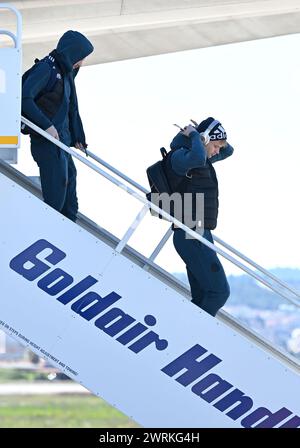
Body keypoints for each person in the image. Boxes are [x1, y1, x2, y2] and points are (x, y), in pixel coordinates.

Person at [164, 117, 234, 316]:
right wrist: (197, 136)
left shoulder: (201, 158)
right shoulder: (181, 157)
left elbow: (229, 151)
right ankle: (191, 334)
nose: (217, 151)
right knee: (219, 293)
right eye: (215, 146)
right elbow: (196, 158)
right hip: (190, 232)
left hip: (199, 232)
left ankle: (187, 336)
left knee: (203, 296)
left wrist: (207, 135)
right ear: (203, 140)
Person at [22, 30, 94, 222]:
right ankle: (42, 233)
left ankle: (66, 238)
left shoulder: (67, 75)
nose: (81, 62)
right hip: (47, 143)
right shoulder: (47, 68)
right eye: (81, 57)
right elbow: (24, 98)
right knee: (56, 198)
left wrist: (78, 137)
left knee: (70, 200)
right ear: (73, 53)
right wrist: (47, 126)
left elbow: (72, 108)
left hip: (62, 144)